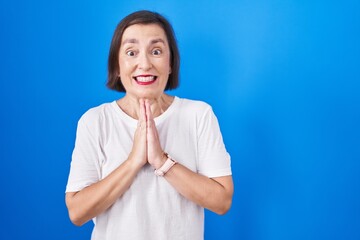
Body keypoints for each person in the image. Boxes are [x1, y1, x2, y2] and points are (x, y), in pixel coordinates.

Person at [65, 10, 233, 240]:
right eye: (131, 52)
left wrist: (161, 161)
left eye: (156, 51)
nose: (144, 64)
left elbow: (222, 200)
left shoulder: (198, 115)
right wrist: (134, 161)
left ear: (171, 62)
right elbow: (77, 212)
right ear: (117, 66)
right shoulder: (94, 121)